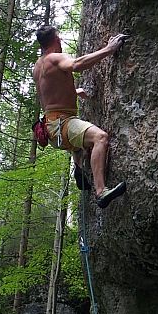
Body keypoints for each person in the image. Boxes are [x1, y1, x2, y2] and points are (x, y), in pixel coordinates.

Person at [32, 24, 127, 209]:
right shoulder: (55, 58)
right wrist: (109, 49)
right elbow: (76, 65)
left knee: (79, 144)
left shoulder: (38, 67)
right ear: (56, 40)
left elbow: (49, 92)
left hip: (52, 130)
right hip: (63, 125)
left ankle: (79, 166)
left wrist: (73, 91)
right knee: (100, 138)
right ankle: (101, 192)